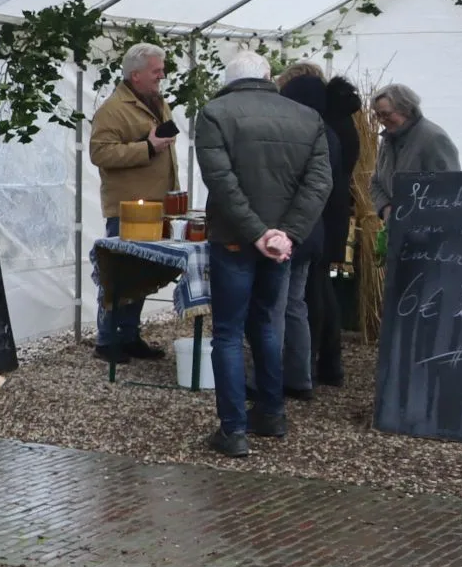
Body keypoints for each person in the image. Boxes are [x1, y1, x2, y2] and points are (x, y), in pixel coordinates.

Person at [193, 48, 331, 458]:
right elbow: (319, 183)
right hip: (278, 246)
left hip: (235, 239)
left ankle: (233, 431)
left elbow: (221, 182)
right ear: (268, 75)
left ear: (229, 79)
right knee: (267, 326)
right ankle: (272, 413)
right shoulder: (308, 118)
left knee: (229, 333)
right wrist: (285, 235)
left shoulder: (215, 113)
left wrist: (256, 233)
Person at [87, 42, 179, 362]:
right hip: (128, 209)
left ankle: (128, 335)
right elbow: (100, 153)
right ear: (136, 75)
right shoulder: (112, 110)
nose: (161, 75)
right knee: (120, 276)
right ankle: (106, 340)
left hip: (155, 206)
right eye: (156, 71)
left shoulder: (156, 101)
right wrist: (148, 147)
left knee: (140, 276)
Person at [272, 73, 348, 400]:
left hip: (291, 231)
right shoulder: (327, 132)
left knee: (276, 306)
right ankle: (300, 378)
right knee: (296, 306)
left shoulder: (299, 133)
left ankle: (270, 378)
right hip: (313, 232)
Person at [312, 78, 363, 387]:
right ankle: (330, 362)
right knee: (323, 285)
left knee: (317, 288)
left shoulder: (328, 127)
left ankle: (322, 360)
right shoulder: (347, 124)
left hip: (325, 213)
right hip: (338, 211)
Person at [368, 83, 461, 217]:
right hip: (398, 230)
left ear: (405, 109)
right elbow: (375, 182)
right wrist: (386, 208)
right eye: (377, 115)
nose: (382, 120)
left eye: (386, 114)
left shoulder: (433, 138)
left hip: (428, 230)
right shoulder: (388, 139)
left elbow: (450, 190)